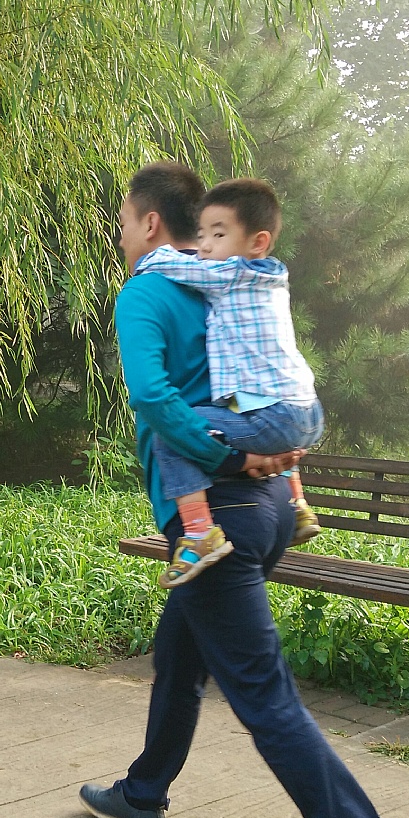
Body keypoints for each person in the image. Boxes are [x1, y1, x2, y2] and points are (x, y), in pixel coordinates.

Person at [78, 162, 402, 818]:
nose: (120, 235)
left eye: (123, 221)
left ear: (149, 223)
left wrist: (224, 458)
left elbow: (152, 397)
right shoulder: (230, 278)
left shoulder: (147, 290)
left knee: (265, 698)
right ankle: (142, 795)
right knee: (179, 655)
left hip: (217, 516)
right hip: (271, 507)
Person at [134, 178, 324, 589]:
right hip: (304, 408)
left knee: (173, 431)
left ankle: (199, 531)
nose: (204, 246)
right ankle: (298, 504)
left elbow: (173, 265)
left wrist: (147, 261)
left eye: (218, 236)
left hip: (276, 415)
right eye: (201, 234)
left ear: (258, 242)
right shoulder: (271, 277)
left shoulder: (231, 274)